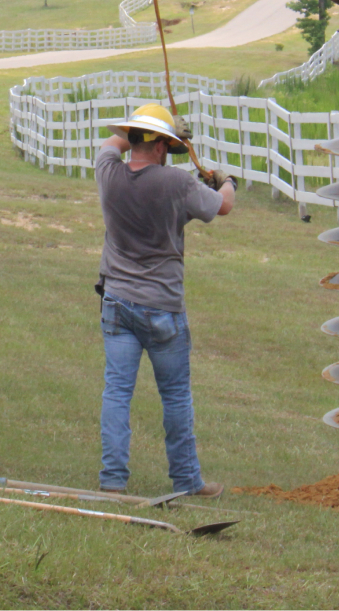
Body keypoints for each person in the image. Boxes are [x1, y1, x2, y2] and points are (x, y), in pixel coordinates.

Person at [93, 103, 236, 498]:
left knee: (117, 392)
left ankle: (112, 480)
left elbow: (112, 143)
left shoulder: (109, 174)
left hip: (118, 301)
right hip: (163, 307)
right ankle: (188, 481)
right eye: (169, 145)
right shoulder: (177, 184)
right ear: (161, 146)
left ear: (135, 139)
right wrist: (226, 181)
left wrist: (150, 128)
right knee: (174, 395)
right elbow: (221, 204)